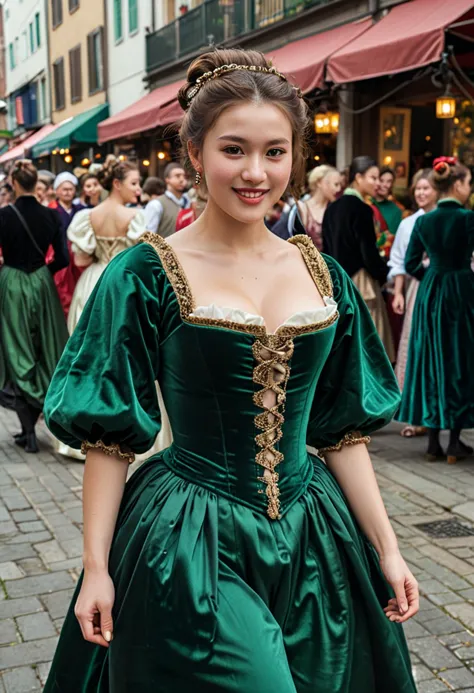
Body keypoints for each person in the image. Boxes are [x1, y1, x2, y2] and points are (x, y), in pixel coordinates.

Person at [43, 48, 418, 693]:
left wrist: (386, 547)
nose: (256, 172)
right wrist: (97, 565)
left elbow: (342, 432)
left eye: (275, 152)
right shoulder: (143, 275)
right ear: (195, 152)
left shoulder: (323, 275)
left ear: (295, 156)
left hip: (313, 534)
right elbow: (108, 438)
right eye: (234, 149)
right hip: (191, 538)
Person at [398, 157, 474, 464]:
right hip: (461, 291)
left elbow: (411, 263)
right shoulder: (468, 218)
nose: (469, 188)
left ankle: (433, 443)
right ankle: (455, 442)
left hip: (430, 293)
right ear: (457, 185)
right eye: (469, 183)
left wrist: (430, 278)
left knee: (429, 359)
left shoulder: (423, 221)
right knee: (458, 359)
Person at [0, 160, 68, 453]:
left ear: (14, 183)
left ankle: (27, 430)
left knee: (16, 349)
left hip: (12, 284)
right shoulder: (51, 217)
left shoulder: (2, 215)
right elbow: (63, 258)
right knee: (43, 347)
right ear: (35, 184)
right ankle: (37, 420)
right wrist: (43, 273)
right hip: (42, 284)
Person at [322, 156, 395, 362]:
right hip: (361, 281)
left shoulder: (332, 208)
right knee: (368, 341)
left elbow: (326, 249)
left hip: (335, 281)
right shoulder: (362, 209)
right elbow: (368, 252)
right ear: (358, 177)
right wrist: (383, 272)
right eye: (373, 178)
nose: (377, 183)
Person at [67, 159, 145, 334]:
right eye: (133, 183)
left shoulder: (88, 216)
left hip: (93, 280)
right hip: (124, 280)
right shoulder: (135, 216)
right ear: (116, 184)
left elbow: (81, 259)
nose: (138, 188)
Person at [390, 169, 438, 439]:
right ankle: (417, 415)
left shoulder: (448, 218)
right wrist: (398, 292)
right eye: (417, 188)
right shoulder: (409, 224)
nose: (420, 193)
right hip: (417, 289)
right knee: (415, 348)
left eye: (426, 188)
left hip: (444, 288)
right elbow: (399, 261)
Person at [48, 172, 85, 318]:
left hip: (78, 257)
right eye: (64, 189)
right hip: (59, 257)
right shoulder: (51, 210)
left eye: (71, 189)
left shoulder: (81, 210)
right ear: (57, 191)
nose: (68, 192)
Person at [296, 165, 341, 250]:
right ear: (320, 182)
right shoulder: (303, 208)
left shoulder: (336, 210)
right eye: (336, 184)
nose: (338, 189)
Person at [144, 161, 189, 237]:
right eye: (177, 176)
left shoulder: (188, 201)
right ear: (167, 179)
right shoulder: (156, 204)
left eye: (184, 176)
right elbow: (149, 238)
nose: (182, 179)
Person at [372, 167, 403, 237]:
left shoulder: (395, 211)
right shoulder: (366, 203)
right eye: (381, 180)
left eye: (389, 181)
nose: (385, 185)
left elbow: (394, 238)